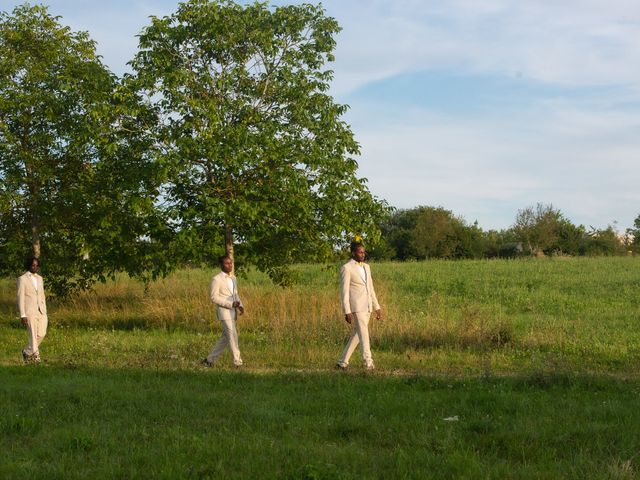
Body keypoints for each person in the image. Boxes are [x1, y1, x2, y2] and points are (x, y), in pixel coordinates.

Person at [336, 242, 382, 370]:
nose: (363, 254)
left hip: (367, 306)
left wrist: (376, 306)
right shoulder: (346, 268)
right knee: (364, 334)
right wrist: (347, 310)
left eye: (364, 252)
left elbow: (370, 287)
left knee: (357, 334)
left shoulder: (367, 267)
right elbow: (344, 291)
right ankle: (368, 363)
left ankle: (342, 362)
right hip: (356, 307)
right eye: (360, 252)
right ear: (353, 253)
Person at [202, 255, 245, 367]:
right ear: (221, 265)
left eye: (231, 263)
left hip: (233, 312)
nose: (230, 265)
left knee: (226, 338)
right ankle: (238, 363)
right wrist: (230, 304)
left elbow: (235, 294)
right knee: (233, 336)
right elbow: (214, 297)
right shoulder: (216, 279)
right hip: (224, 312)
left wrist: (240, 305)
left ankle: (209, 360)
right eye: (227, 263)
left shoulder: (233, 278)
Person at [17, 257, 48, 363]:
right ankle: (36, 360)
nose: (35, 267)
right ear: (29, 265)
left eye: (37, 265)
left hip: (41, 311)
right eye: (33, 265)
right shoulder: (22, 279)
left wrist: (44, 308)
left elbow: (42, 295)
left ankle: (26, 351)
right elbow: (20, 298)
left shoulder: (40, 278)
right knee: (33, 337)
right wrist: (22, 314)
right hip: (29, 311)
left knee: (41, 334)